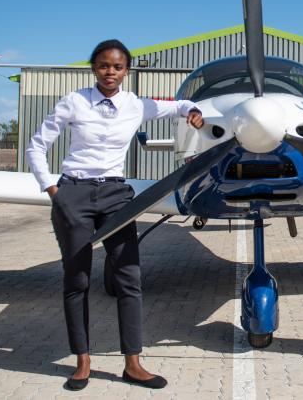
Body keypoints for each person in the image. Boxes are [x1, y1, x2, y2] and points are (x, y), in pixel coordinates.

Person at [26, 39, 204, 390]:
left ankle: (133, 364)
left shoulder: (136, 105)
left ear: (127, 71)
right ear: (94, 67)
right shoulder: (74, 101)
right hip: (73, 193)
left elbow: (179, 105)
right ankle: (82, 362)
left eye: (118, 67)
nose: (111, 72)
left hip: (116, 194)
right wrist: (51, 189)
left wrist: (193, 110)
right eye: (104, 65)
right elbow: (37, 145)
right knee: (76, 280)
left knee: (129, 278)